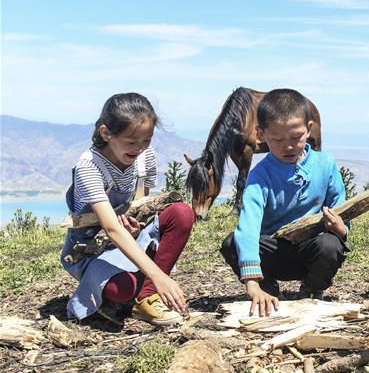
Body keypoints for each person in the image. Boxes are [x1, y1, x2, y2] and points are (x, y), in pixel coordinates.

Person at [61, 93, 193, 326]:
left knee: (181, 213)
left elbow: (140, 205)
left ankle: (147, 296)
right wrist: (159, 275)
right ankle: (128, 287)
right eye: (131, 142)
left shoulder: (145, 157)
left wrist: (136, 226)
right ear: (106, 133)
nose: (139, 149)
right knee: (121, 289)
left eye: (146, 140)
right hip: (91, 249)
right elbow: (112, 228)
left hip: (128, 239)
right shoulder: (89, 168)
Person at [219, 89, 348, 317]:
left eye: (296, 137)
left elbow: (341, 208)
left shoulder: (326, 165)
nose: (288, 146)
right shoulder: (260, 176)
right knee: (232, 243)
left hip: (311, 249)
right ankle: (266, 288)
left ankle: (312, 288)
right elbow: (248, 226)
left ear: (309, 129)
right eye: (277, 139)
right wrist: (251, 281)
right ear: (260, 134)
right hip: (272, 250)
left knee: (330, 244)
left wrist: (341, 228)